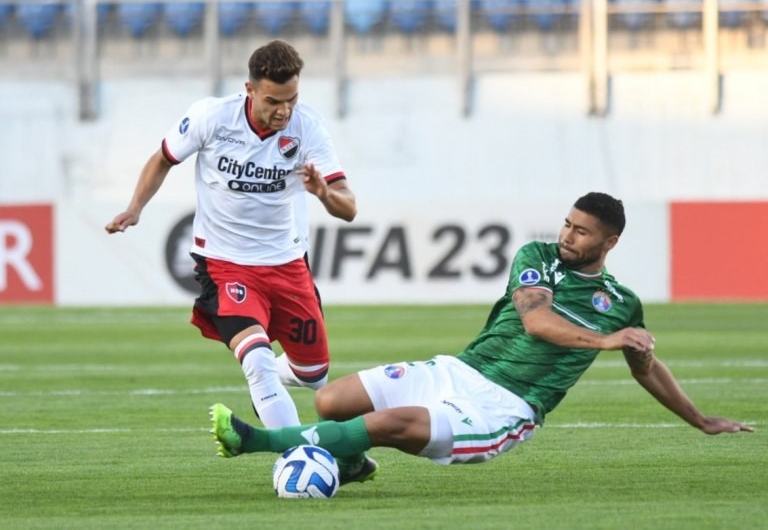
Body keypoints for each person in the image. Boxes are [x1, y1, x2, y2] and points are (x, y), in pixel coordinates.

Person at [208, 192, 753, 485]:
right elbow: (537, 322)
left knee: (391, 423)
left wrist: (700, 419)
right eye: (567, 223)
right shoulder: (538, 257)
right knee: (332, 400)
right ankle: (351, 463)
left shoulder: (621, 303)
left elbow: (645, 366)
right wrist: (604, 342)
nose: (567, 235)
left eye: (581, 231)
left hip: (505, 405)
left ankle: (260, 442)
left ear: (609, 242)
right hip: (460, 369)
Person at [106, 39, 357, 430]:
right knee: (256, 361)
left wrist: (324, 193)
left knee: (314, 375)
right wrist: (135, 208)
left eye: (291, 99)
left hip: (287, 263)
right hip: (224, 263)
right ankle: (294, 451)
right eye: (273, 101)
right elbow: (163, 158)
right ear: (249, 89)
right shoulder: (212, 117)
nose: (284, 110)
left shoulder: (308, 128)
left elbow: (349, 207)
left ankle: (272, 382)